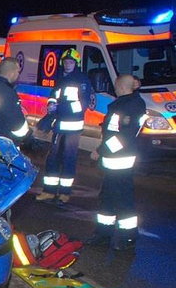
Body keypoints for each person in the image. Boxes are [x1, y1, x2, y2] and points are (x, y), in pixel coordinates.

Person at [88, 75, 146, 250]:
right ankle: (103, 235)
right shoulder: (124, 103)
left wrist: (101, 151)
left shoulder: (132, 106)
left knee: (123, 201)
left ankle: (128, 239)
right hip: (113, 161)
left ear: (120, 86)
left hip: (121, 161)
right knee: (107, 199)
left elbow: (124, 137)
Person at [35, 48, 91, 203]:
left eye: (71, 62)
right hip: (59, 126)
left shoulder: (82, 80)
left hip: (72, 128)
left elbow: (82, 105)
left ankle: (65, 193)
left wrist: (60, 108)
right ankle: (49, 191)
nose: (68, 64)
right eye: (66, 61)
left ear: (76, 63)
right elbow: (53, 96)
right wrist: (51, 105)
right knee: (52, 159)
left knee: (68, 159)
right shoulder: (61, 79)